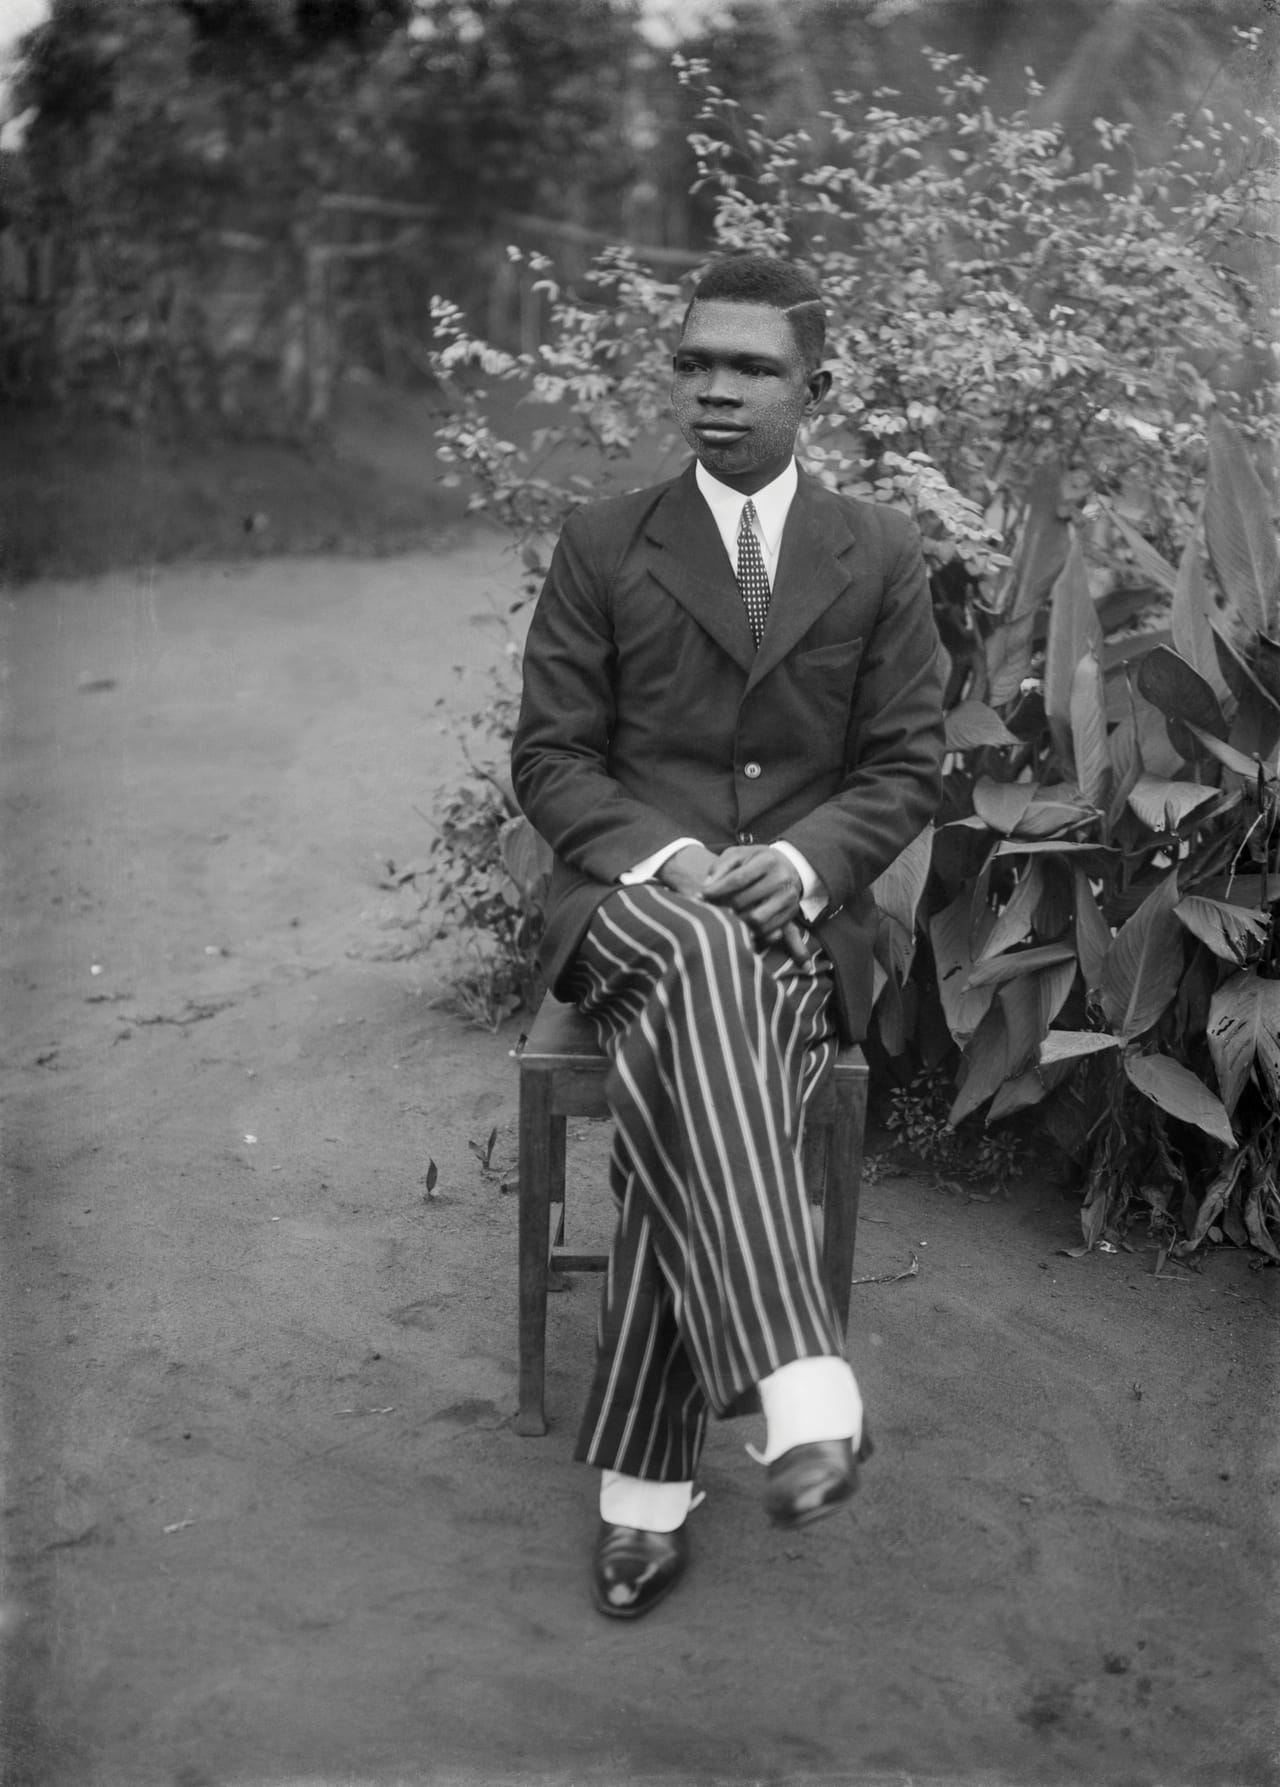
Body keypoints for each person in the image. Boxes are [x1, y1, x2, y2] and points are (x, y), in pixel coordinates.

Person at [511, 253, 944, 1619]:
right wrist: (678, 857)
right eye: (697, 362)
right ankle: (798, 1378)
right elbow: (553, 761)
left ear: (817, 386)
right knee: (698, 955)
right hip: (627, 910)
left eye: (752, 368)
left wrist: (807, 864)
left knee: (702, 1045)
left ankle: (646, 1490)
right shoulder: (604, 541)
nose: (716, 390)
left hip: (791, 933)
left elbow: (904, 764)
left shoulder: (875, 550)